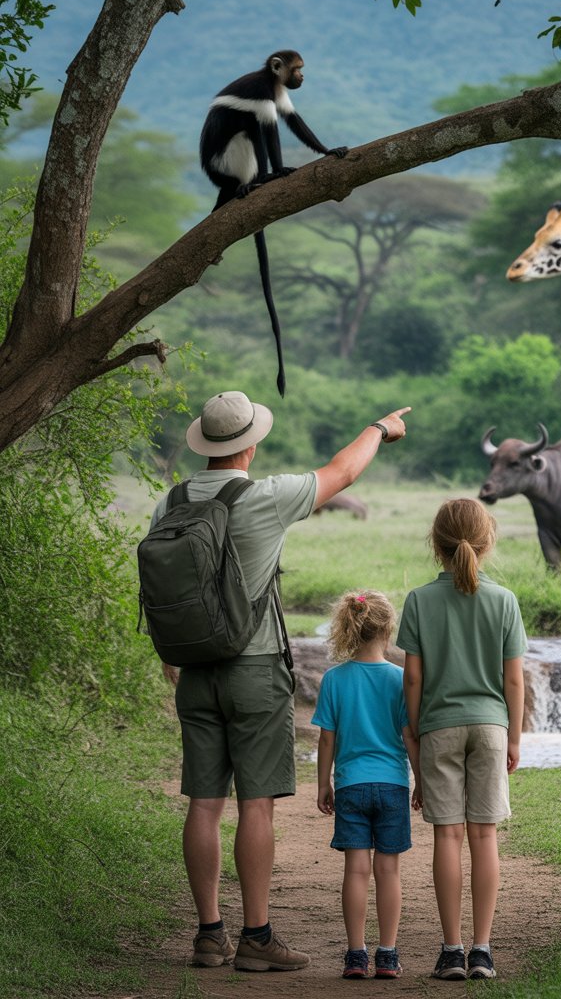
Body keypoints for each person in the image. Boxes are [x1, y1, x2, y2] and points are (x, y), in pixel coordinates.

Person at [152, 390, 410, 972]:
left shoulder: (170, 502)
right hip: (255, 667)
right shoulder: (266, 497)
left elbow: (163, 587)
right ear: (250, 444)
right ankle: (257, 937)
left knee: (203, 802)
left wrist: (171, 654)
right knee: (257, 806)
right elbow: (342, 472)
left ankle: (208, 934)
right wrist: (380, 426)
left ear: (205, 444)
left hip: (193, 670)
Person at [397, 497, 527, 981]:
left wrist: (415, 727)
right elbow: (514, 681)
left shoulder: (418, 600)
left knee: (447, 836)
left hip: (439, 727)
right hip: (492, 727)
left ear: (437, 546)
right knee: (484, 835)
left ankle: (451, 950)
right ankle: (482, 950)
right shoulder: (505, 601)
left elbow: (412, 678)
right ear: (487, 541)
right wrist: (514, 737)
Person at [313, 589, 420, 980]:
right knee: (388, 872)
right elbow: (410, 736)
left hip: (350, 787)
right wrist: (420, 780)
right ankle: (387, 955)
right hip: (392, 785)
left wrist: (323, 783)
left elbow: (327, 738)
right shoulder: (399, 680)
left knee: (356, 871)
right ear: (389, 631)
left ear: (346, 628)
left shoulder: (334, 679)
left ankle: (356, 955)